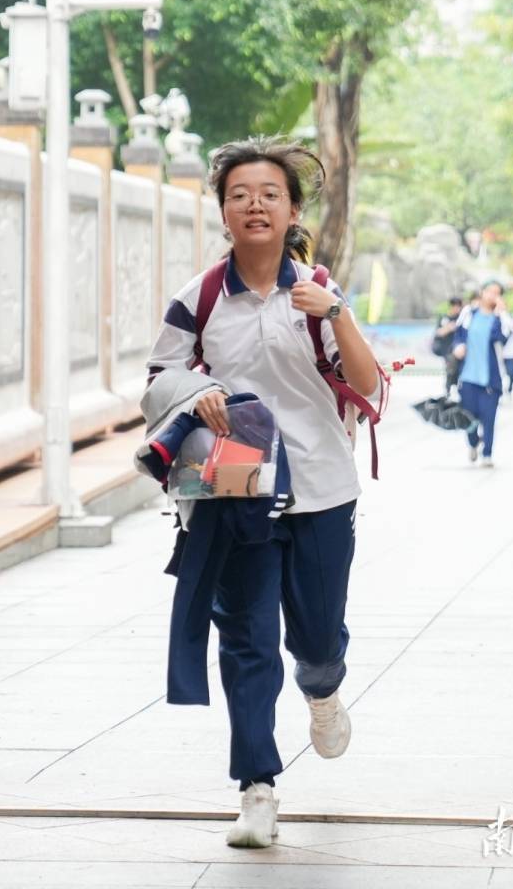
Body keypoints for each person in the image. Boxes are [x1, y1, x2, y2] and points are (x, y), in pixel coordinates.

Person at [146, 137, 379, 848]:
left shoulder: (316, 293)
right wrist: (198, 389)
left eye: (270, 194)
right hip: (235, 486)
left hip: (321, 487)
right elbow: (158, 377)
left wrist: (336, 312)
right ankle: (256, 788)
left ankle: (323, 688)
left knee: (316, 636)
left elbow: (366, 383)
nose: (255, 205)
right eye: (240, 195)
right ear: (223, 211)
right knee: (246, 639)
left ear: (292, 210)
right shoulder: (199, 298)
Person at [453, 280, 508, 467]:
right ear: (482, 292)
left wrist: (499, 315)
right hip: (468, 377)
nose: (492, 295)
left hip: (490, 379)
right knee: (469, 417)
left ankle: (487, 454)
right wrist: (458, 347)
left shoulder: (501, 318)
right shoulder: (469, 313)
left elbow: (501, 338)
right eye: (489, 291)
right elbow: (458, 336)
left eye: (497, 293)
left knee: (489, 418)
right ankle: (473, 443)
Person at [432, 296, 462, 396]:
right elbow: (438, 332)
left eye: (459, 306)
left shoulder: (461, 318)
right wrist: (449, 327)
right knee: (450, 371)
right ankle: (448, 391)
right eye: (455, 306)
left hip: (459, 349)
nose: (457, 309)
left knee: (458, 371)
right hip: (447, 350)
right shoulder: (445, 318)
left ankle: (456, 390)